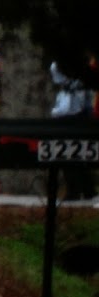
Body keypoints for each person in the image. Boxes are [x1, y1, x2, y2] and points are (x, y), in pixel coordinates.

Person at [50, 63, 94, 199]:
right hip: (82, 117)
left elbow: (65, 109)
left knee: (69, 154)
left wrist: (54, 112)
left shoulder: (59, 67)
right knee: (81, 153)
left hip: (70, 119)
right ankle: (87, 189)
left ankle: (76, 190)